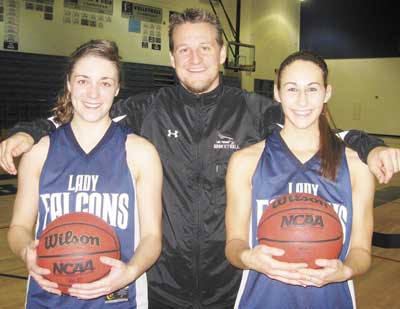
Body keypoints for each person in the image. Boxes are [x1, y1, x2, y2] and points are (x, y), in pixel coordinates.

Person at [0, 8, 398, 308]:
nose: (194, 58)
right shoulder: (144, 109)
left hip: (233, 280)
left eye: (204, 47)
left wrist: (369, 144)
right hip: (160, 283)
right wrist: (32, 130)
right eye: (183, 49)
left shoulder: (255, 110)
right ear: (171, 58)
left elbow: (313, 124)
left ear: (222, 53)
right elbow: (87, 109)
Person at [7, 40, 162, 308]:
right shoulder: (39, 152)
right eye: (83, 81)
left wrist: (131, 271)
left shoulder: (140, 152)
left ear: (117, 89)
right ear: (69, 84)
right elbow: (19, 228)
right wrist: (25, 251)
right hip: (47, 298)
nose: (93, 93)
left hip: (117, 300)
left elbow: (152, 238)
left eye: (104, 82)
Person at [225, 50, 374, 308]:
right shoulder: (245, 162)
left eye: (312, 89)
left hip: (331, 300)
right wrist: (249, 258)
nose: (302, 100)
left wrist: (345, 271)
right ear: (277, 93)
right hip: (261, 300)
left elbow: (361, 251)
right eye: (292, 89)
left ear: (327, 92)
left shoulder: (357, 166)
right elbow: (233, 244)